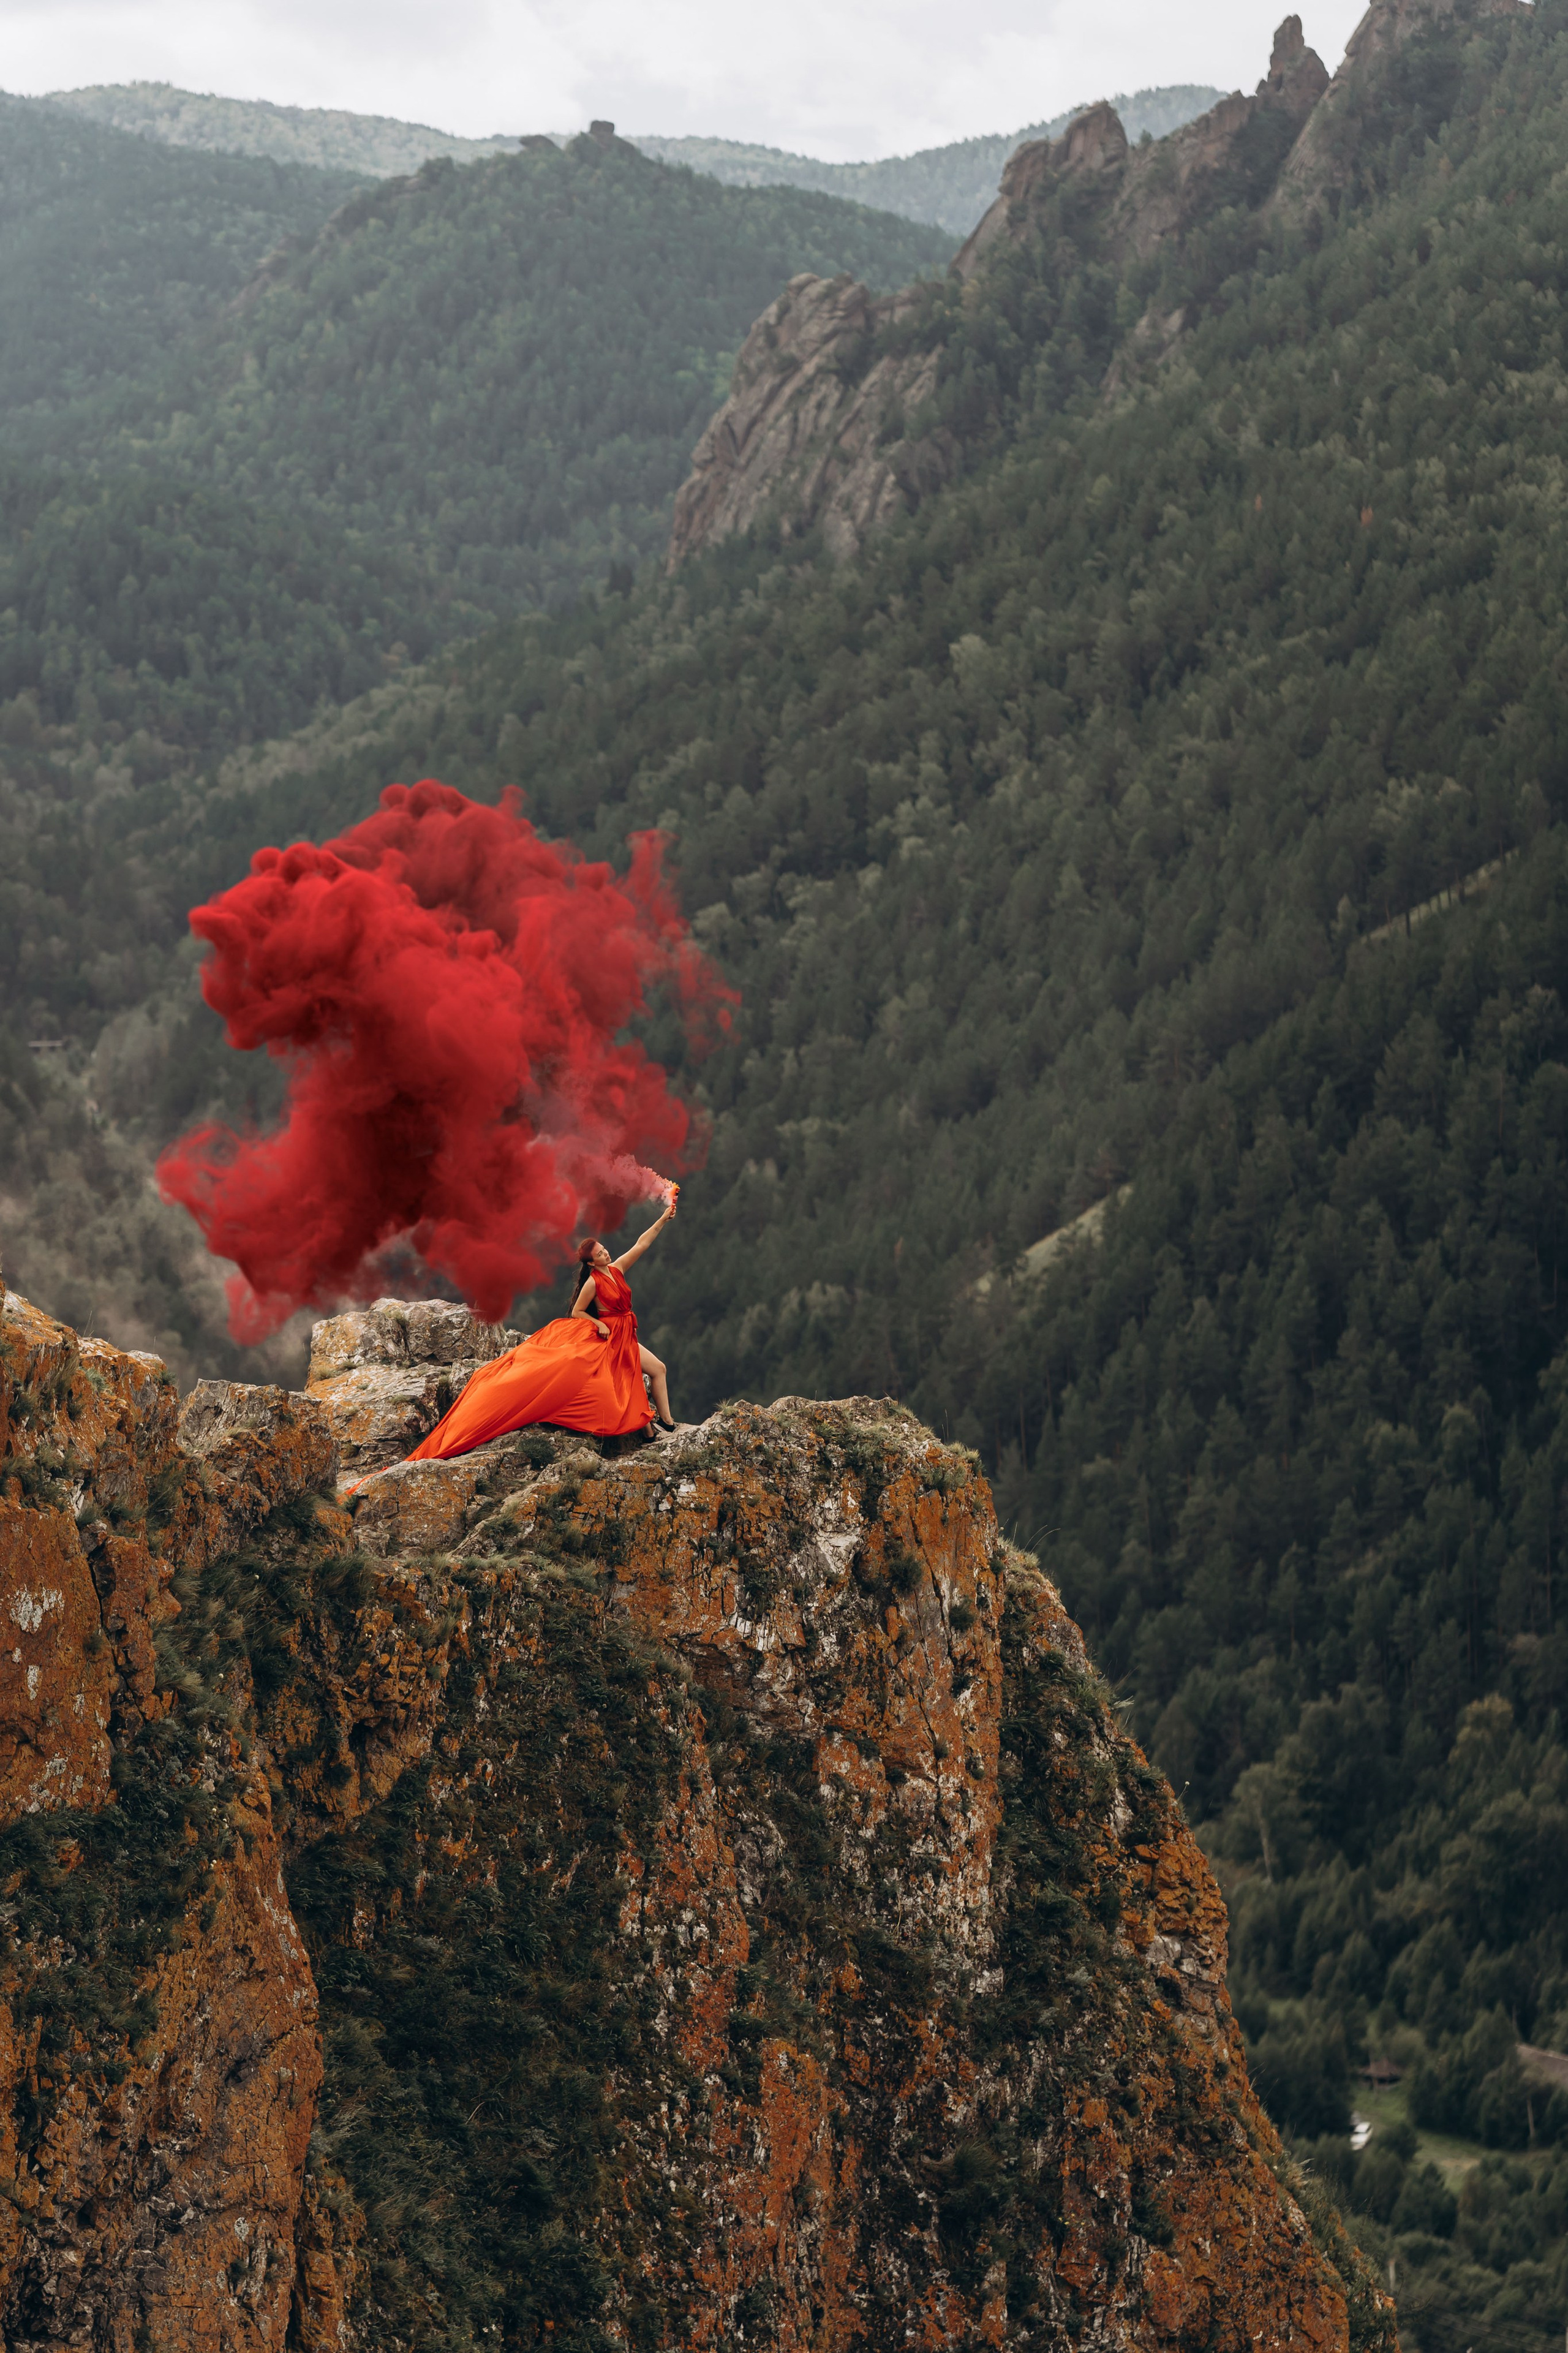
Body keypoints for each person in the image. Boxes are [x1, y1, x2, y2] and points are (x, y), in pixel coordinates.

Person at [403, 1194, 679, 1464]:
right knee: (629, 1378)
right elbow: (577, 1312)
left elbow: (642, 1244)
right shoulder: (593, 1283)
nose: (606, 1253)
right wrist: (598, 1324)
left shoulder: (617, 1269)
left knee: (658, 1369)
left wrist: (664, 1219)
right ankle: (651, 1430)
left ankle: (666, 1422)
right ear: (591, 1262)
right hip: (611, 1335)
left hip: (626, 1332)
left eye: (604, 1249)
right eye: (600, 1253)